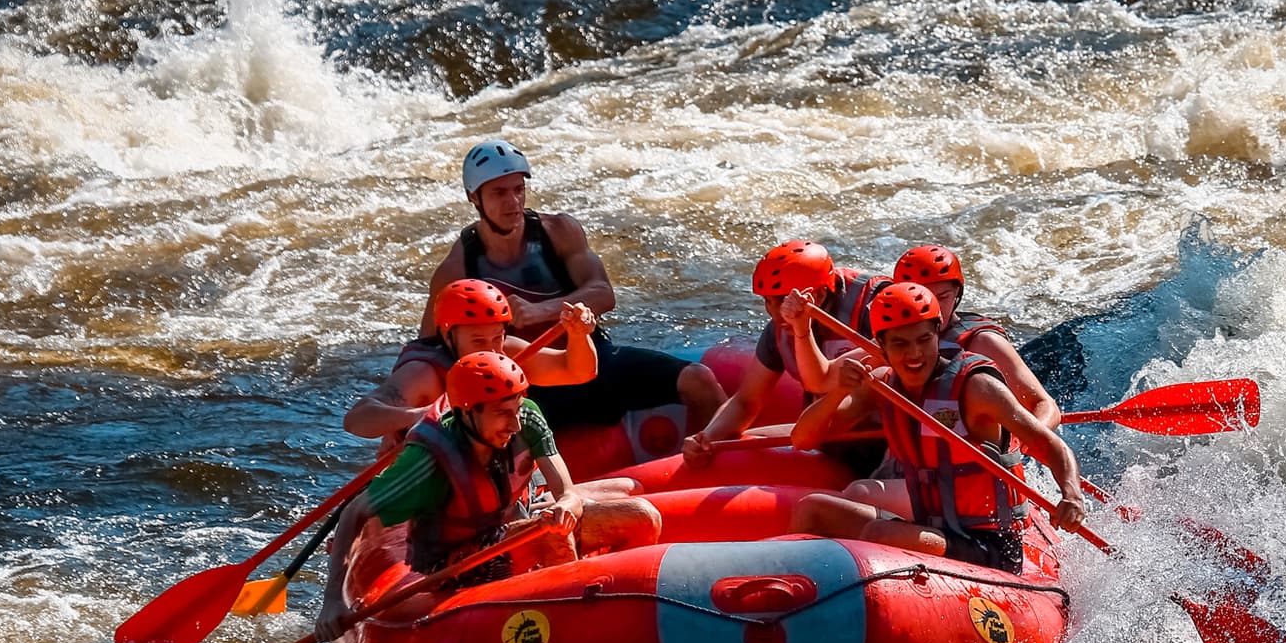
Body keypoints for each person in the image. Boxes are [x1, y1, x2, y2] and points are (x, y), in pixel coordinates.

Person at [318, 352, 660, 637]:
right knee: (554, 538)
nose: (513, 425)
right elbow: (355, 512)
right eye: (501, 414)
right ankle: (576, 632)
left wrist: (568, 502)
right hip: (459, 561)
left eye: (515, 410)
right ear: (468, 412)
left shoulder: (526, 418)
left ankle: (623, 607)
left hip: (510, 523)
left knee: (643, 515)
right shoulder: (429, 461)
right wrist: (332, 599)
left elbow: (566, 491)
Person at [420, 138, 723, 434]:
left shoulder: (559, 232)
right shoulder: (456, 271)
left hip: (589, 360)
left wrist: (542, 311)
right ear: (474, 197)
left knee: (699, 380)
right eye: (499, 193)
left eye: (518, 190)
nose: (513, 203)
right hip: (524, 386)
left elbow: (603, 293)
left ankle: (706, 465)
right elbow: (426, 352)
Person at [787, 283, 1085, 573]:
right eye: (900, 344)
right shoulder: (883, 385)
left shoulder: (976, 388)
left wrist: (1071, 495)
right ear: (881, 346)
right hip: (930, 526)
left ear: (936, 336)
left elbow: (1052, 446)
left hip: (990, 544)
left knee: (881, 533)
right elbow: (802, 438)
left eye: (923, 340)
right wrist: (837, 392)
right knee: (812, 509)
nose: (914, 354)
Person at [681, 239, 887, 472]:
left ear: (817, 295)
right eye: (768, 301)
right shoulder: (779, 329)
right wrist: (707, 438)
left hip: (879, 441)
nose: (776, 314)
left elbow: (825, 385)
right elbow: (747, 401)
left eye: (781, 300)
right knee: (734, 444)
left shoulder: (876, 311)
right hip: (824, 435)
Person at [345, 278, 599, 449]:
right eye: (478, 340)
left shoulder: (506, 353)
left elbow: (577, 371)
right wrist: (420, 415)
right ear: (448, 336)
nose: (491, 350)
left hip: (487, 474)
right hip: (425, 486)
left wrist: (579, 336)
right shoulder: (424, 374)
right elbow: (357, 419)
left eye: (497, 337)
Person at [892, 244, 1061, 430]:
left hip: (977, 450)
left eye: (942, 297)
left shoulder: (983, 342)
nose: (934, 308)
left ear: (957, 293)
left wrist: (1031, 441)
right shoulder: (890, 341)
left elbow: (1045, 406)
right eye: (922, 298)